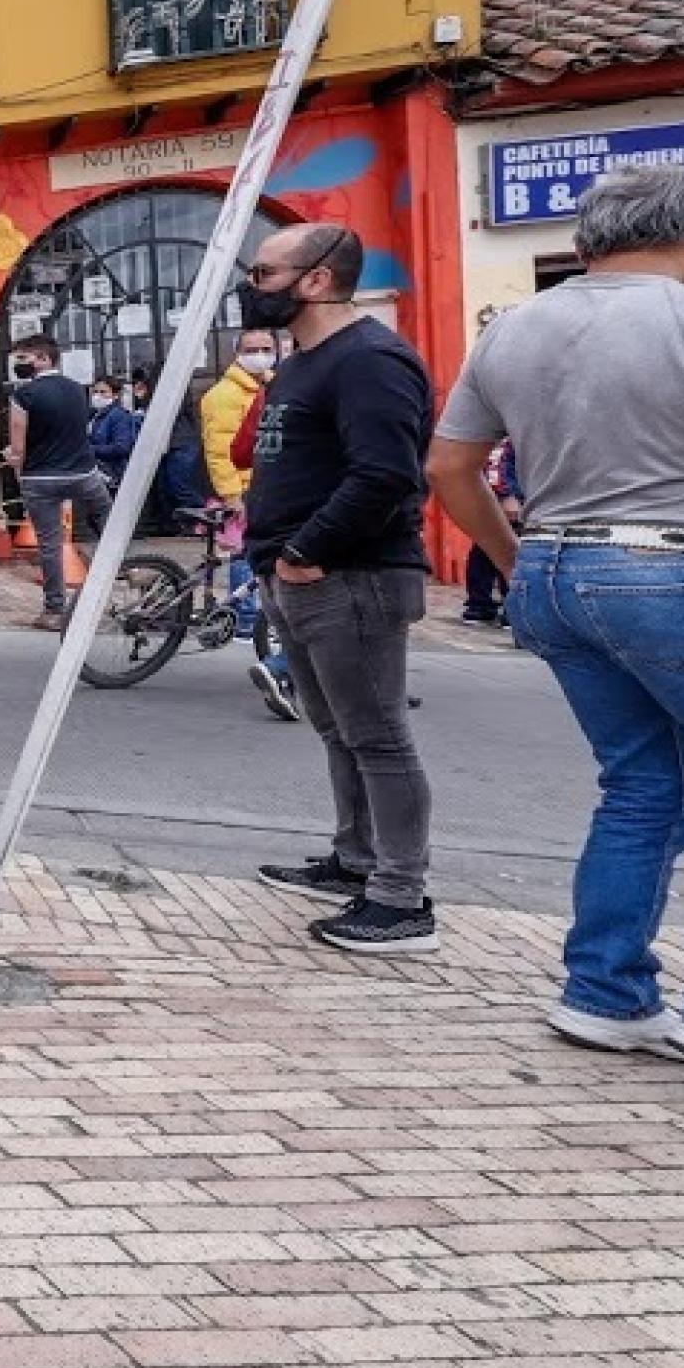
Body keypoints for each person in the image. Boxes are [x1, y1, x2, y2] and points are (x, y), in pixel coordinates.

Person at [428, 164, 684, 1078]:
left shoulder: (514, 330)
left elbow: (452, 468)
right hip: (680, 567)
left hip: (559, 567)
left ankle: (606, 993)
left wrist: (517, 561)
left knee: (643, 787)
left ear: (587, 241)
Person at [239, 222, 438, 954]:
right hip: (296, 574)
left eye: (264, 273)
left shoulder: (370, 360)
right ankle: (356, 858)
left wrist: (305, 549)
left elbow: (386, 475)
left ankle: (401, 896)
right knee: (339, 729)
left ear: (316, 279)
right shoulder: (305, 360)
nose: (252, 287)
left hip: (350, 577)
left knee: (379, 735)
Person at [201, 326, 295, 717]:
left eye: (266, 348)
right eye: (251, 349)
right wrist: (232, 495)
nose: (260, 354)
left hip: (271, 490)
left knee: (254, 556)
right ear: (237, 353)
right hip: (242, 492)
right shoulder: (223, 395)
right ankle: (245, 620)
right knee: (245, 556)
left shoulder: (274, 387)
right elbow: (221, 450)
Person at [5, 336, 110, 631]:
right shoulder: (79, 390)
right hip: (82, 472)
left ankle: (54, 609)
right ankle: (133, 567)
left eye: (23, 358)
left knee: (50, 545)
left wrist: (18, 474)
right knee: (108, 519)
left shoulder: (23, 396)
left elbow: (17, 446)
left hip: (39, 478)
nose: (18, 365)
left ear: (43, 358)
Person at [457, 441, 521, 625]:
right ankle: (484, 606)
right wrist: (506, 495)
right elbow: (496, 461)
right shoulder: (509, 430)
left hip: (508, 498)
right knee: (500, 550)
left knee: (489, 550)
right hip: (505, 502)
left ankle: (483, 606)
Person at [87, 376, 140, 484]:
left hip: (112, 474)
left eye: (103, 392)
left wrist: (90, 450)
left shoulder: (119, 416)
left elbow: (121, 447)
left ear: (115, 395)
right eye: (95, 392)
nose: (98, 396)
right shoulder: (94, 415)